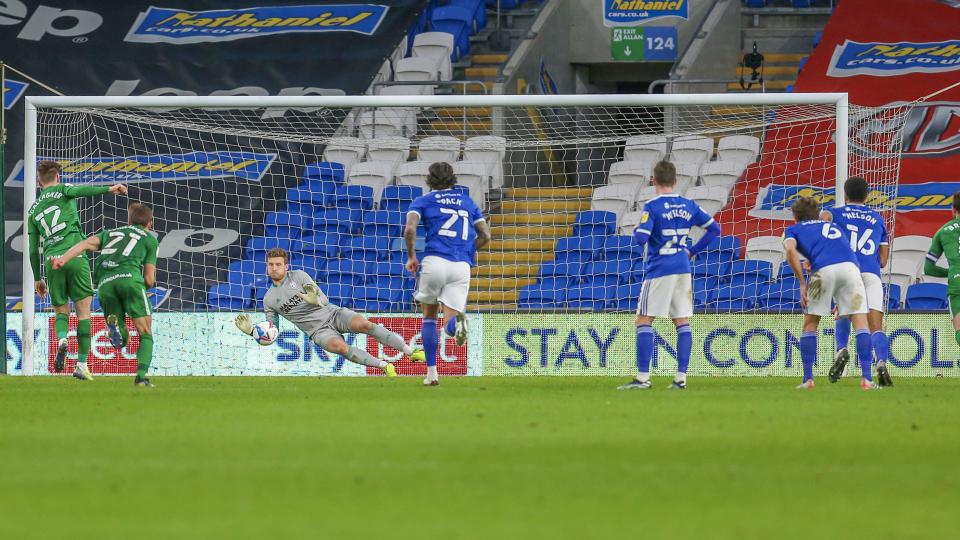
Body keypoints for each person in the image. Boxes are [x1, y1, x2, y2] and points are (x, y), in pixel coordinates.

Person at [235, 248, 424, 375]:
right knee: (341, 348)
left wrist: (314, 299)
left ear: (286, 266)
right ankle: (385, 366)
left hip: (333, 314)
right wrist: (252, 331)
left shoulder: (299, 276)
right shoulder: (269, 298)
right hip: (317, 331)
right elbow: (272, 331)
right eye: (271, 265)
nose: (274, 268)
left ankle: (410, 351)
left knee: (364, 324)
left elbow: (323, 299)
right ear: (267, 267)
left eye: (278, 264)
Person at [618, 161, 721, 390]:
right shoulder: (689, 205)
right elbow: (715, 229)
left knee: (644, 319)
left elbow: (641, 238)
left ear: (654, 181)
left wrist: (638, 229)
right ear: (675, 181)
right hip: (683, 266)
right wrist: (692, 251)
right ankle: (680, 378)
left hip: (660, 268)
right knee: (682, 321)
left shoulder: (652, 206)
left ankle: (643, 378)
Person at [28, 160, 127, 380]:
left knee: (61, 312)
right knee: (83, 313)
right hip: (75, 255)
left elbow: (33, 250)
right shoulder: (64, 190)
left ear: (39, 182)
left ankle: (63, 339)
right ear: (58, 178)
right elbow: (83, 190)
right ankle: (82, 364)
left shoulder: (33, 210)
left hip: (52, 262)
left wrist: (37, 278)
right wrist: (109, 188)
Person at [404, 162, 491, 386]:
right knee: (450, 323)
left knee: (430, 316)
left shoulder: (423, 201)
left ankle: (432, 374)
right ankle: (457, 325)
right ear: (453, 179)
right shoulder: (467, 202)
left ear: (429, 180)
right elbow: (486, 235)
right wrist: (466, 251)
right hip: (461, 265)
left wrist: (412, 256)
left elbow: (410, 229)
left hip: (435, 261)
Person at [53, 203, 158, 387]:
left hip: (105, 284)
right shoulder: (150, 240)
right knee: (145, 333)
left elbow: (85, 243)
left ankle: (115, 328)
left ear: (128, 220)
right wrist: (138, 288)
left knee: (120, 343)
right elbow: (149, 279)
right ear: (150, 222)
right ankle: (141, 378)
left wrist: (63, 259)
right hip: (131, 281)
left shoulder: (110, 233)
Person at [783, 197, 878, 390]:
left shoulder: (793, 230)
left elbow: (791, 252)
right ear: (817, 214)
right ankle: (867, 380)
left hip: (823, 272)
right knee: (861, 323)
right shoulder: (834, 227)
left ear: (795, 216)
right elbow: (843, 253)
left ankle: (808, 380)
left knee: (810, 324)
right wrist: (842, 297)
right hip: (852, 270)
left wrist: (802, 283)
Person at [820, 176, 892, 386]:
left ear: (845, 194)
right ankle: (881, 361)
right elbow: (883, 260)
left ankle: (841, 349)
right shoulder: (878, 219)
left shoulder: (834, 213)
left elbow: (822, 223)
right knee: (876, 325)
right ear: (867, 195)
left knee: (843, 313)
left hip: (848, 272)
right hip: (871, 274)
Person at [924, 191, 960, 347]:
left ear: (953, 209)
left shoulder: (943, 232)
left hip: (957, 283)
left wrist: (952, 272)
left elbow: (928, 268)